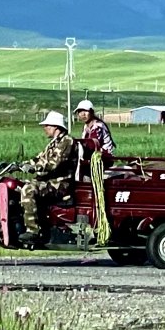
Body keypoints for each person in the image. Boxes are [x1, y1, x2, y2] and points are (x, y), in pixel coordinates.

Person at [18, 111, 77, 244]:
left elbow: (54, 163)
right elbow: (39, 158)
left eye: (47, 125)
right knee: (18, 186)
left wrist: (35, 168)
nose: (44, 128)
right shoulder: (52, 143)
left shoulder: (67, 141)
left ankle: (33, 231)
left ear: (56, 126)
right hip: (49, 181)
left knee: (29, 190)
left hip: (60, 184)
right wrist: (22, 165)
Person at [74, 99, 116, 168]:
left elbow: (92, 145)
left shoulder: (98, 126)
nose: (83, 114)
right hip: (94, 156)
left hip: (104, 157)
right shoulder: (86, 127)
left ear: (91, 112)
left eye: (85, 111)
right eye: (80, 111)